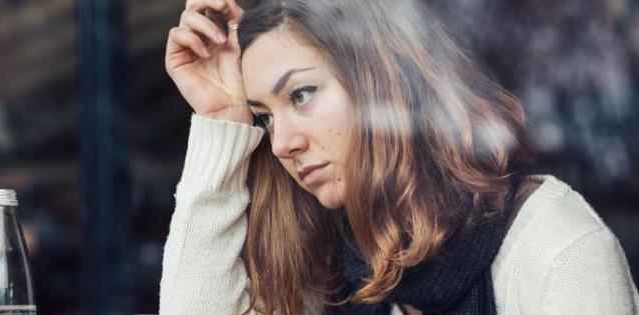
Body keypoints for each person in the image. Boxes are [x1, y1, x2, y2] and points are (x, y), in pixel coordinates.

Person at [160, 0, 639, 314]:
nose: (282, 142)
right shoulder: (330, 264)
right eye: (264, 118)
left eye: (302, 94)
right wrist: (223, 119)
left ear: (380, 85)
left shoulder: (557, 250)